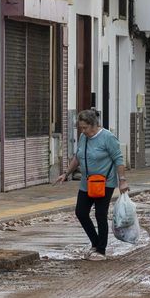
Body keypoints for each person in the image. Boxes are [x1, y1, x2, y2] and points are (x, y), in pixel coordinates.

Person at [54, 109, 129, 260]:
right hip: (87, 183)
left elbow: (118, 159)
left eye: (85, 127)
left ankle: (101, 250)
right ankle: (95, 243)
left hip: (105, 183)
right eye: (81, 127)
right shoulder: (84, 137)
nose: (82, 130)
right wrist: (66, 173)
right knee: (81, 212)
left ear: (94, 125)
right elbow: (78, 157)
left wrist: (122, 180)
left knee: (100, 214)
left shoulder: (108, 137)